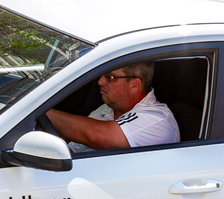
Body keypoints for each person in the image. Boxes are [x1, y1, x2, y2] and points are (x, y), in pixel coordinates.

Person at [45, 61, 180, 153]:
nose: (100, 81)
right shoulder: (107, 109)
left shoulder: (157, 120)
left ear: (134, 84)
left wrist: (41, 112)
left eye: (110, 77)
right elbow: (74, 150)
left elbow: (96, 135)